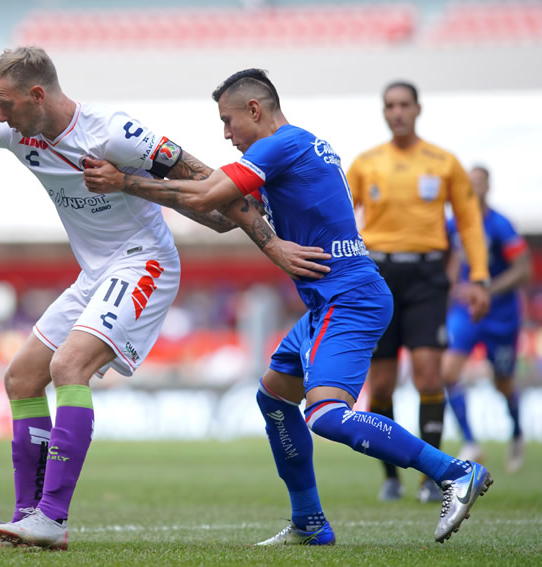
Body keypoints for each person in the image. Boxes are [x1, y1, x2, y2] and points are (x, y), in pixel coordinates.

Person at [0, 47, 331, 551]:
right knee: (21, 377)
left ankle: (52, 519)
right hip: (96, 273)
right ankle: (26, 520)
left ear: (37, 94)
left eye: (7, 103)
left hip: (144, 260)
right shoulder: (16, 129)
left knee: (69, 367)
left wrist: (273, 245)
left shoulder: (115, 132)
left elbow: (212, 186)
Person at [83, 68, 493, 545]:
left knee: (325, 416)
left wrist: (127, 183)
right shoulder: (289, 151)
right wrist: (162, 182)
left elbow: (212, 192)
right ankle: (309, 522)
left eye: (228, 120)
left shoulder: (280, 145)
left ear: (254, 110)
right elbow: (220, 218)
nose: (226, 133)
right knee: (274, 396)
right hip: (331, 300)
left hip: (348, 297)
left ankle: (454, 471)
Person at [346, 81, 491, 503]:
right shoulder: (366, 163)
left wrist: (478, 278)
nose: (397, 112)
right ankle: (391, 476)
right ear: (384, 111)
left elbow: (469, 223)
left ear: (418, 109)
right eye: (389, 105)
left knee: (429, 373)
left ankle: (431, 478)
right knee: (383, 385)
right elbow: (339, 216)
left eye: (404, 104)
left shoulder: (444, 163)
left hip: (428, 276)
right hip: (377, 275)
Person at [442, 165, 531, 473]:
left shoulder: (501, 225)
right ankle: (470, 441)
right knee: (448, 371)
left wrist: (486, 288)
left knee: (503, 384)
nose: (473, 187)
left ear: (488, 187)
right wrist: (453, 288)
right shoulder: (454, 225)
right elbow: (447, 264)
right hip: (465, 314)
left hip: (501, 316)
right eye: (469, 183)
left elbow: (524, 270)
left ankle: (517, 433)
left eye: (479, 182)